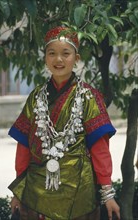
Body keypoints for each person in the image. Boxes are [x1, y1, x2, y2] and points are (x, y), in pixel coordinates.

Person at [9, 26, 120, 220]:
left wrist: (107, 192)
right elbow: (24, 146)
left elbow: (100, 149)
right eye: (52, 53)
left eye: (65, 53)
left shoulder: (89, 97)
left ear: (76, 59)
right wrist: (18, 191)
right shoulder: (36, 97)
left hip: (79, 194)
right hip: (37, 193)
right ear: (45, 58)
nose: (58, 59)